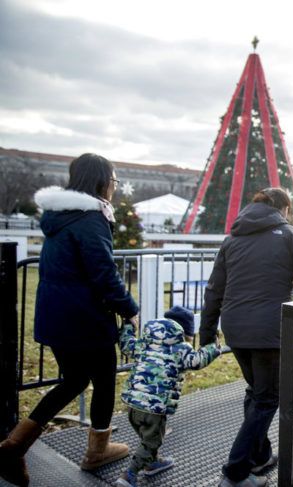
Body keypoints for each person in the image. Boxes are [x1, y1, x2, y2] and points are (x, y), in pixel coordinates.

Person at [0, 153, 140, 487]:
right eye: (114, 180)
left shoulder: (59, 216)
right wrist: (129, 308)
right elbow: (103, 273)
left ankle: (14, 446)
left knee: (74, 380)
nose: (115, 187)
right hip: (85, 318)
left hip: (56, 315)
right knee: (104, 380)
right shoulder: (91, 218)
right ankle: (96, 453)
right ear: (101, 181)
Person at [200, 187, 293, 487]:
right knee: (267, 398)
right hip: (270, 330)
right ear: (284, 209)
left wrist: (206, 333)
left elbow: (214, 290)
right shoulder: (289, 235)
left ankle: (260, 457)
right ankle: (235, 472)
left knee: (256, 391)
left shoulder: (233, 239)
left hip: (235, 328)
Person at [115, 306, 222, 487]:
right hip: (154, 408)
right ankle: (129, 474)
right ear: (185, 331)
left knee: (147, 438)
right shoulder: (180, 348)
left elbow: (126, 344)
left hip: (133, 404)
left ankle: (152, 462)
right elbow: (197, 361)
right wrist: (214, 348)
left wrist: (128, 326)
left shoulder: (146, 342)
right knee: (152, 441)